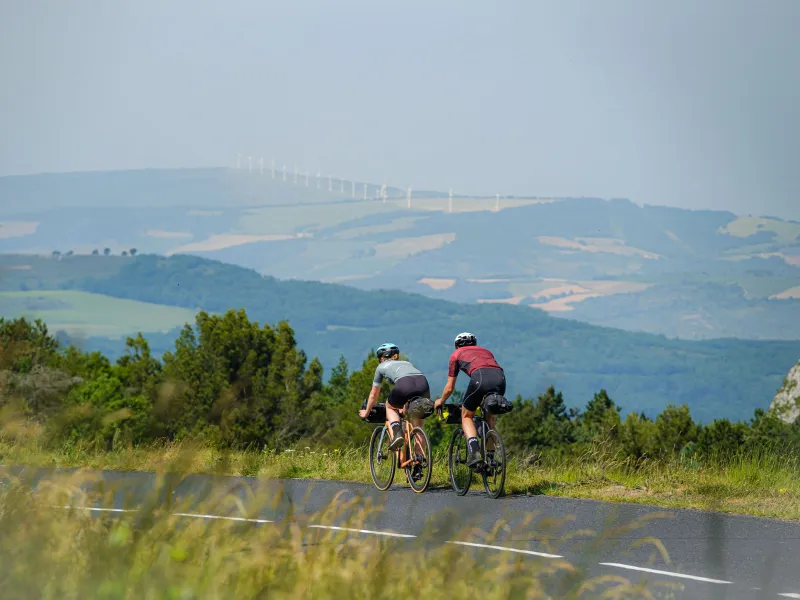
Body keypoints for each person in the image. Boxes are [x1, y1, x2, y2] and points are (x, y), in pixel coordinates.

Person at [434, 332, 506, 468]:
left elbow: (449, 388)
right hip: (500, 379)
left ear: (457, 346)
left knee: (466, 415)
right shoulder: (486, 351)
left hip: (480, 378)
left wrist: (441, 400)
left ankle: (475, 453)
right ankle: (491, 458)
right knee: (490, 416)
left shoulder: (456, 354)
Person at [359, 343, 430, 452]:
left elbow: (374, 394)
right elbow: (410, 390)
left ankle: (397, 434)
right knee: (418, 425)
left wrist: (366, 412)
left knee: (390, 406)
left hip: (403, 384)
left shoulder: (380, 367)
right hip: (423, 383)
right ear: (395, 356)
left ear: (381, 358)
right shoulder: (407, 363)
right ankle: (418, 462)